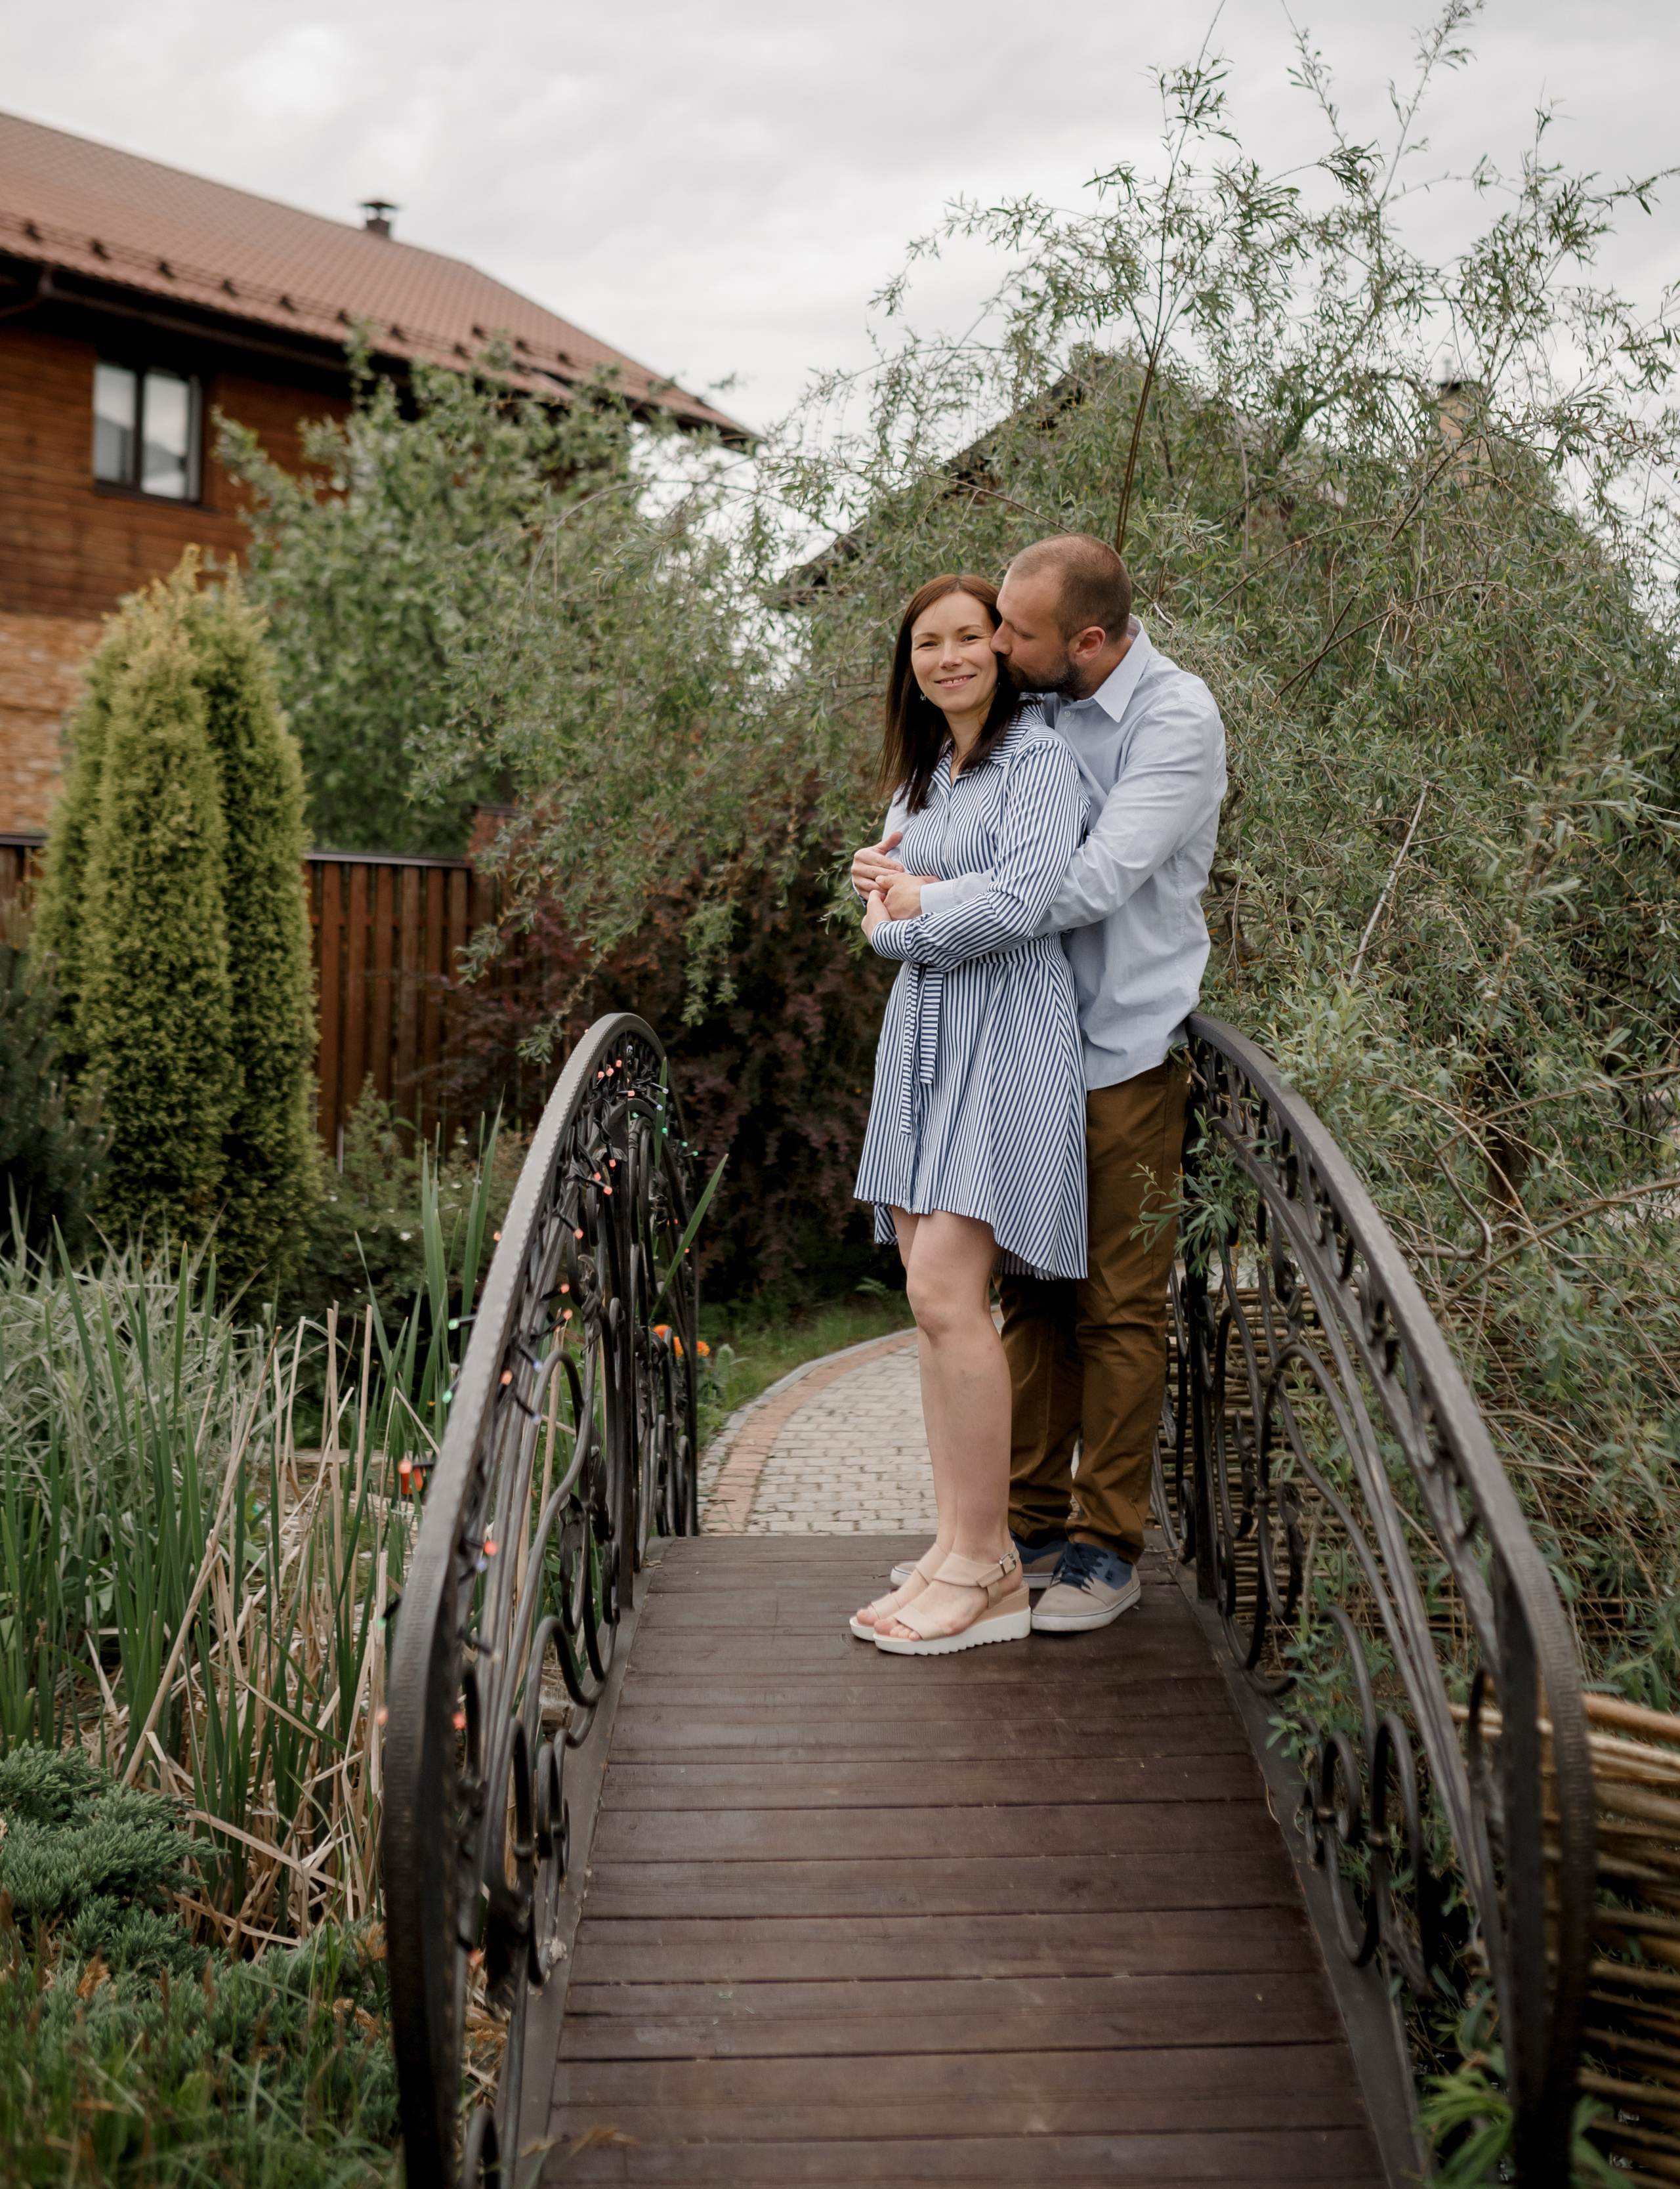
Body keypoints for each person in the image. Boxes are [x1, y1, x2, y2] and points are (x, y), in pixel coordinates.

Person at [852, 535, 1227, 1634]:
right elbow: (915, 853)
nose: (994, 650)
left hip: (1118, 1035)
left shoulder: (1171, 720)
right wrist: (900, 895)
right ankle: (1006, 1532)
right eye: (971, 633)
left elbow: (1087, 879)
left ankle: (1104, 1546)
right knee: (1024, 1296)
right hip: (998, 1033)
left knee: (1115, 1302)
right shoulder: (1038, 711)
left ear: (1090, 641)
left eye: (1009, 633)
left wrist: (927, 903)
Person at [850, 572, 1089, 1657]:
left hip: (1007, 1037)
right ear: (911, 666)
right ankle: (952, 1545)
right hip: (923, 1040)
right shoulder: (919, 779)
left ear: (1000, 646)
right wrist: (903, 910)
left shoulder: (1038, 759)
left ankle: (992, 1568)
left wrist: (919, 902)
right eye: (926, 644)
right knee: (928, 1299)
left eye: (966, 638)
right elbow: (877, 931)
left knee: (951, 1288)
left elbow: (1029, 897)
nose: (947, 657)